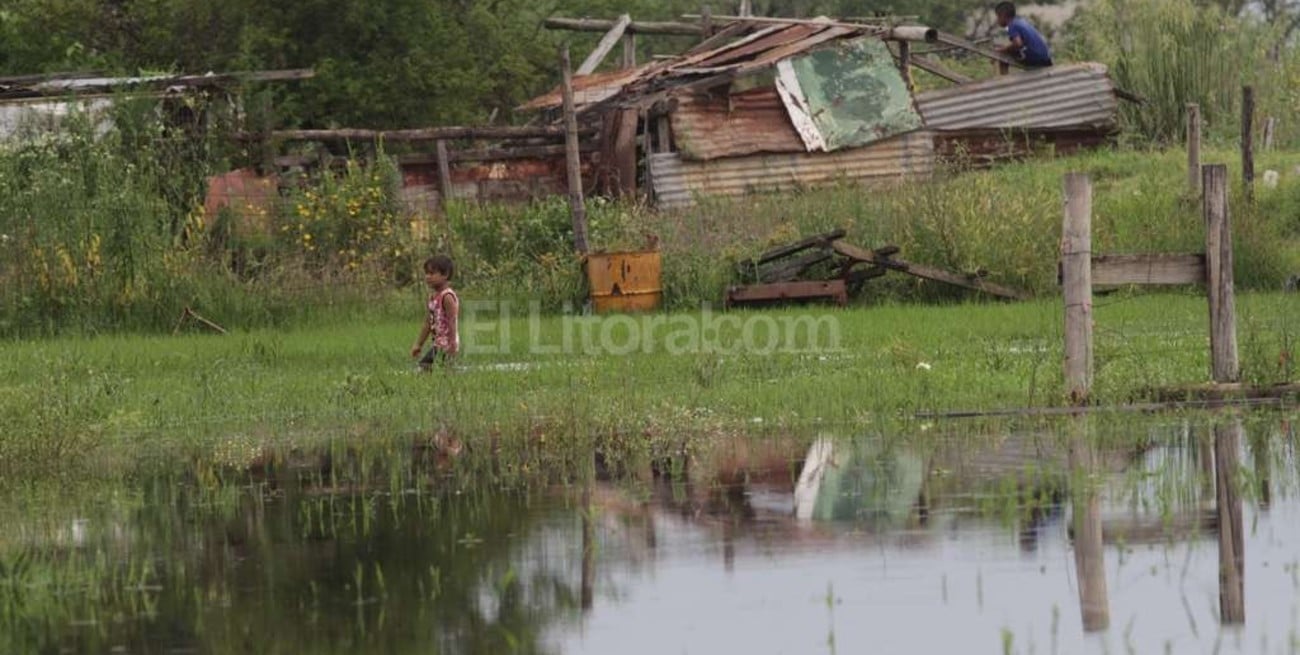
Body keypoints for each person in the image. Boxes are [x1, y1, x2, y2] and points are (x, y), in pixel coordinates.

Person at [410, 255, 460, 370]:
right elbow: (428, 323)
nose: (428, 277)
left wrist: (452, 344)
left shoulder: (447, 297)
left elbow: (452, 321)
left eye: (432, 273)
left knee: (426, 367)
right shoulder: (433, 297)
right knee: (430, 368)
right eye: (426, 273)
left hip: (446, 343)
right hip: (438, 343)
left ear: (445, 275)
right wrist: (419, 344)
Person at [995, 2, 1052, 69]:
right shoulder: (1019, 21)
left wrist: (1004, 49)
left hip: (1037, 60)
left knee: (1003, 54)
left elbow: (1018, 44)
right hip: (1045, 58)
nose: (997, 20)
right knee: (1008, 50)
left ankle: (1003, 78)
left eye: (998, 17)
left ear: (1003, 16)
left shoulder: (1012, 25)